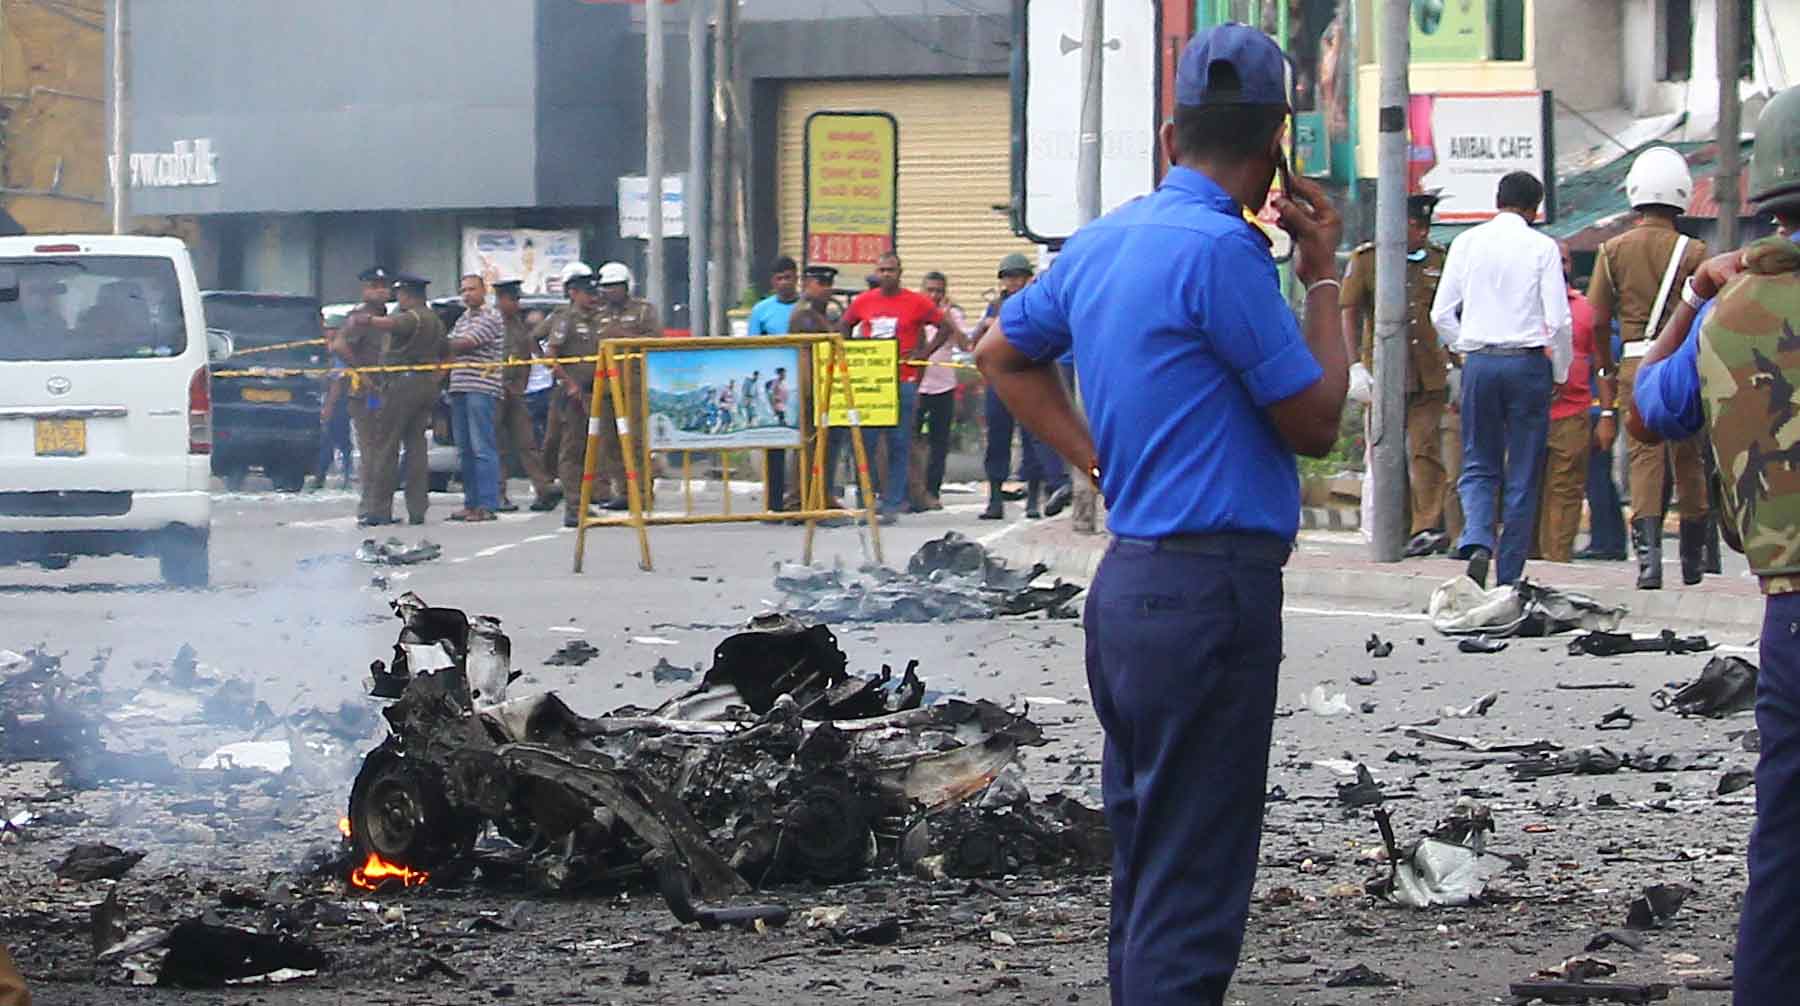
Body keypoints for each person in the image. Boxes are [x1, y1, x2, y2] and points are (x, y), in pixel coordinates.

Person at [977, 24, 1347, 1003]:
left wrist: (1088, 452)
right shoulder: (1227, 255)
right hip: (1212, 589)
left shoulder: (1099, 245)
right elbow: (1314, 421)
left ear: (1170, 135)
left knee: (1147, 866)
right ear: (1278, 142)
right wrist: (1321, 275)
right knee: (1195, 879)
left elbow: (999, 355)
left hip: (1129, 585)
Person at [1628, 81, 1800, 1006]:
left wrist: (1693, 297)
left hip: (1790, 620)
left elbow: (1646, 413)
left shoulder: (1724, 317)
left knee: (1785, 845)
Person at [1430, 170, 1572, 587]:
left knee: (1478, 460)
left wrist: (1466, 349)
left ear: (1497, 200)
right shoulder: (1542, 248)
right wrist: (1560, 369)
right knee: (1524, 471)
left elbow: (1440, 314)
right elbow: (1559, 320)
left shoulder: (1466, 243)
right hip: (1527, 364)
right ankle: (1508, 577)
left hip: (1480, 364)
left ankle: (1476, 538)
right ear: (1535, 208)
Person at [1586, 146, 1712, 589]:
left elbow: (1598, 319)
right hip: (1681, 361)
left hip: (1636, 362)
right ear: (1682, 192)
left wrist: (1606, 367)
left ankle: (1649, 564)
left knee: (1643, 459)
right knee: (1689, 455)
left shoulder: (1612, 250)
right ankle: (1693, 562)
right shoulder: (1695, 250)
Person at [1341, 192, 1457, 556]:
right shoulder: (1369, 259)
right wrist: (1354, 366)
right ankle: (1398, 526)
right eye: (1415, 225)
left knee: (1425, 448)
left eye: (1426, 226)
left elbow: (1451, 311)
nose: (1422, 233)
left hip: (1429, 372)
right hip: (1384, 373)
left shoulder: (1439, 259)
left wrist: (1456, 362)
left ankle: (1426, 526)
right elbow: (1348, 309)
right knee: (1388, 453)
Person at [839, 251, 963, 523]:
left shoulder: (916, 302)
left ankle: (893, 503)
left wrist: (924, 354)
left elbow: (943, 327)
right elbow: (845, 326)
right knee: (866, 444)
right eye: (882, 270)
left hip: (904, 381)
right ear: (876, 272)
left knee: (899, 443)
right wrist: (852, 356)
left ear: (900, 273)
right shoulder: (863, 301)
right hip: (872, 384)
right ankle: (866, 501)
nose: (886, 275)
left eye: (891, 270)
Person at [975, 253, 1062, 520]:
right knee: (997, 440)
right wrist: (987, 327)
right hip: (999, 381)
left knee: (1033, 439)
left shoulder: (1034, 303)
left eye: (1017, 277)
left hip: (1028, 377)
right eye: (1008, 277)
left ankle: (1033, 498)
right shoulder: (995, 307)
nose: (1013, 282)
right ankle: (995, 499)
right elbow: (978, 341)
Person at [358, 273, 446, 527]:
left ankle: (379, 509)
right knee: (417, 448)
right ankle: (418, 509)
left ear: (407, 295)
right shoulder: (436, 321)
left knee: (386, 447)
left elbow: (393, 325)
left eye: (401, 294)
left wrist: (368, 320)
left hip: (401, 385)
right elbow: (445, 351)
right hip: (425, 384)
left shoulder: (413, 317)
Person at [1535, 241, 1596, 562]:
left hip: (1573, 413)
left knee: (1566, 490)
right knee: (1525, 490)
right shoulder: (1521, 305)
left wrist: (1608, 412)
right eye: (1553, 261)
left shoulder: (1585, 309)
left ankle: (1557, 563)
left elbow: (1601, 363)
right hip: (1528, 414)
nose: (1559, 267)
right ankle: (1524, 564)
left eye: (1565, 261)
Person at [492, 279, 561, 513]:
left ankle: (544, 489)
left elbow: (526, 357)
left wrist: (521, 384)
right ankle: (498, 494)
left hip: (517, 392)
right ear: (500, 300)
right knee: (498, 446)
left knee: (527, 443)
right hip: (496, 390)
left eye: (517, 299)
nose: (516, 304)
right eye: (512, 299)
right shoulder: (493, 323)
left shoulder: (518, 325)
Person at [329, 266, 391, 518]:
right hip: (367, 394)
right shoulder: (360, 317)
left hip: (385, 389)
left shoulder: (385, 316)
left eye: (384, 285)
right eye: (374, 286)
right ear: (365, 290)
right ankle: (370, 507)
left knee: (383, 451)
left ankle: (379, 507)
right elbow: (338, 346)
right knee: (371, 452)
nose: (381, 291)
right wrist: (363, 373)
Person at [444, 274, 505, 523]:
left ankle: (488, 504)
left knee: (482, 448)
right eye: (463, 290)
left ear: (483, 291)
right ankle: (471, 503)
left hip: (481, 387)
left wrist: (438, 342)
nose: (467, 294)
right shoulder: (463, 318)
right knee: (465, 450)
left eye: (471, 289)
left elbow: (463, 344)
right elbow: (451, 343)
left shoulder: (491, 317)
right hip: (459, 386)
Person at [912, 270, 968, 511]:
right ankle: (913, 490)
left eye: (939, 291)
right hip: (916, 386)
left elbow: (966, 343)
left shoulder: (951, 314)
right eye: (930, 290)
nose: (934, 295)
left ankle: (933, 491)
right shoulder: (915, 311)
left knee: (939, 442)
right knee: (911, 440)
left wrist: (948, 319)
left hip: (943, 386)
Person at [789, 264, 844, 509]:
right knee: (810, 444)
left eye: (828, 284)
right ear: (808, 284)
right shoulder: (805, 315)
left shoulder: (829, 313)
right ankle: (802, 498)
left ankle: (822, 494)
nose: (826, 289)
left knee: (826, 445)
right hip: (810, 388)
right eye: (820, 284)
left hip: (827, 387)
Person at [1576, 321, 1629, 560]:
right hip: (1607, 410)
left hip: (1597, 411)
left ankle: (1604, 540)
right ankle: (1613, 540)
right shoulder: (1615, 338)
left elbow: (1600, 375)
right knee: (1602, 479)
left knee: (1596, 480)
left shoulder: (1604, 341)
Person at [312, 325, 354, 490]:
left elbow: (338, 382)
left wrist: (328, 407)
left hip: (340, 404)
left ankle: (326, 477)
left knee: (332, 441)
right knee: (339, 441)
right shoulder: (332, 352)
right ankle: (331, 476)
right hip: (340, 402)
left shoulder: (339, 352)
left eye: (330, 329)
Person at [748, 256, 800, 335]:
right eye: (779, 278)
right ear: (772, 281)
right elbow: (751, 344)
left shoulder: (809, 307)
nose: (784, 282)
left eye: (787, 277)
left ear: (796, 279)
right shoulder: (759, 310)